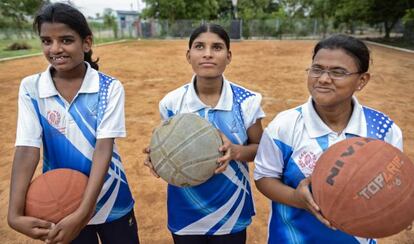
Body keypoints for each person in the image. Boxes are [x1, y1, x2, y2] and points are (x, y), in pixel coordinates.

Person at [7, 3, 139, 244]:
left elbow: (103, 149)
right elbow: (27, 149)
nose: (55, 48)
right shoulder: (31, 88)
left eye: (66, 40)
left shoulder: (109, 87)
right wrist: (13, 214)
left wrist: (82, 213)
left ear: (86, 43)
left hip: (112, 200)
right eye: (47, 41)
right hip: (60, 208)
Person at [253, 34, 403, 244]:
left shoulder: (384, 130)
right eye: (317, 69)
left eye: (338, 72)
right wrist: (297, 199)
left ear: (362, 80)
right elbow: (264, 178)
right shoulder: (284, 125)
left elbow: (394, 183)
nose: (323, 79)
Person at [144, 24, 265, 244]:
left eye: (217, 47)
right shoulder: (172, 102)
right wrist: (158, 157)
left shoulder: (247, 102)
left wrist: (236, 151)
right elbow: (170, 146)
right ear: (188, 55)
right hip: (186, 210)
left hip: (231, 208)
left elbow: (260, 149)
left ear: (228, 56)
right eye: (199, 47)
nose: (208, 53)